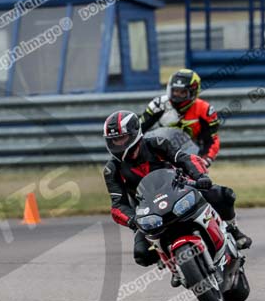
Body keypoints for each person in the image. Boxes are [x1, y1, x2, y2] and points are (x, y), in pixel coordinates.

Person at [102, 110, 251, 270]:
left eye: (121, 138)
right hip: (149, 211)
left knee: (224, 196)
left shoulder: (157, 144)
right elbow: (118, 205)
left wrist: (200, 176)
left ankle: (233, 229)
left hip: (180, 190)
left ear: (134, 133)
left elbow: (184, 159)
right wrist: (133, 220)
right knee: (142, 255)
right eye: (114, 140)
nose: (118, 143)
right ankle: (173, 263)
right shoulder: (112, 170)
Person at [140, 69, 220, 168]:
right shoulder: (159, 104)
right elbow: (139, 129)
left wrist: (205, 159)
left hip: (190, 156)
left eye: (182, 92)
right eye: (175, 91)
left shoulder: (205, 110)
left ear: (193, 92)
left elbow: (211, 140)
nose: (177, 95)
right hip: (162, 154)